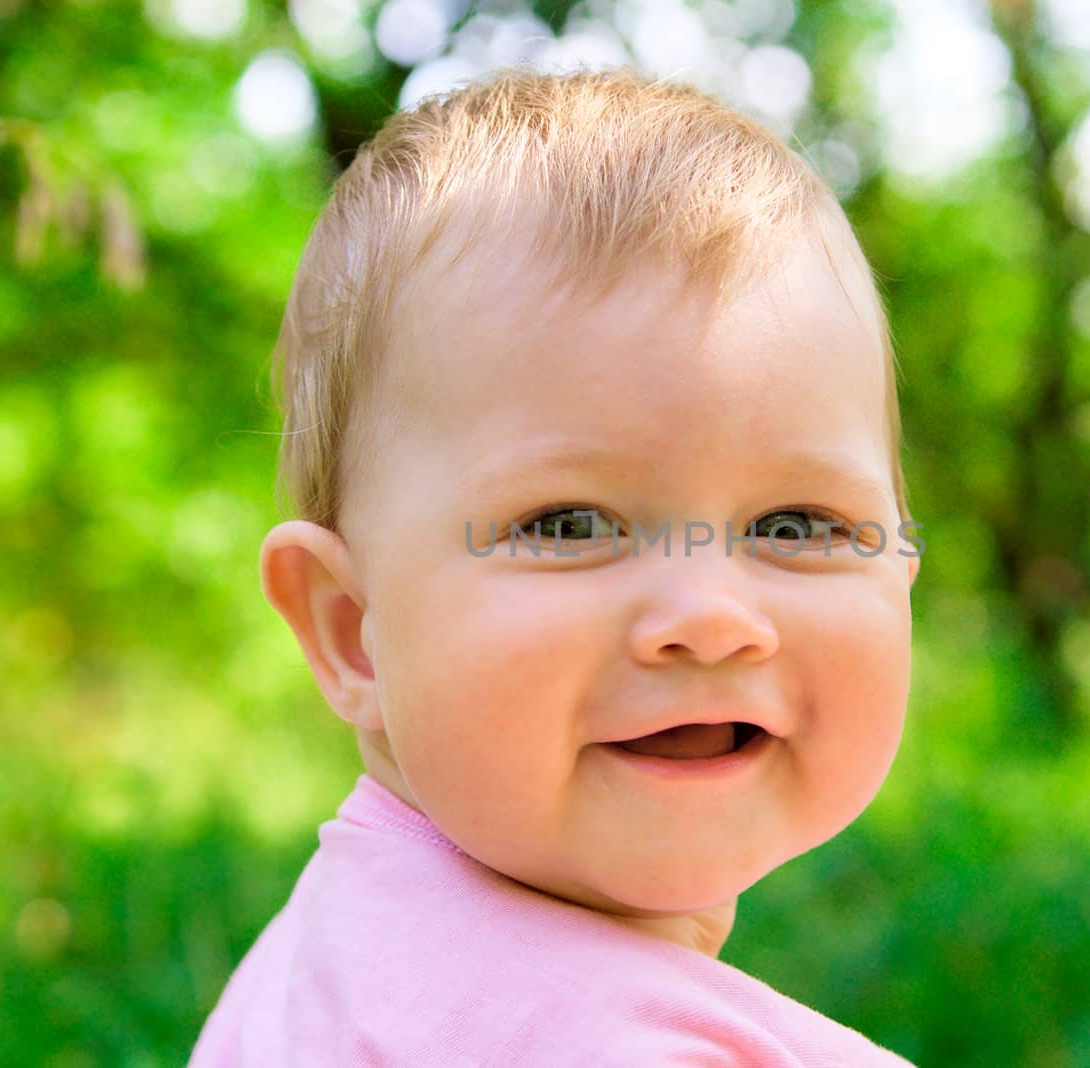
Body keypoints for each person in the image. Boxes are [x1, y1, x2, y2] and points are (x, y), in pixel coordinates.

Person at [188, 64, 923, 1066]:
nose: (709, 614)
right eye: (572, 524)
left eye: (796, 525)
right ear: (353, 632)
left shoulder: (328, 960)